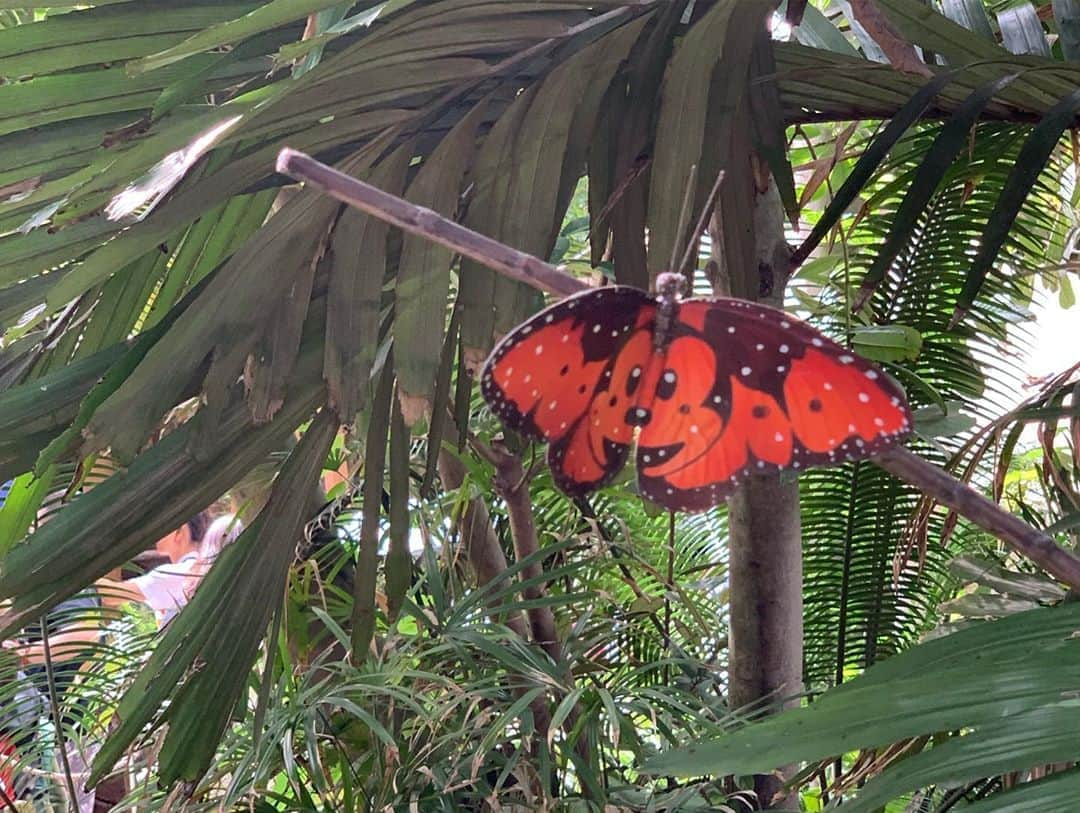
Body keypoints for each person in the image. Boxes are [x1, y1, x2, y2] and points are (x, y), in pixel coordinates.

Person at [97, 511, 242, 626]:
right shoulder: (197, 571)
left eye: (162, 526)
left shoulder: (182, 573)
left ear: (180, 531)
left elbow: (109, 595)